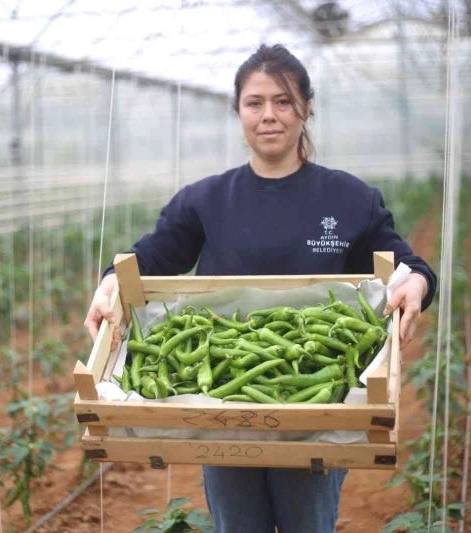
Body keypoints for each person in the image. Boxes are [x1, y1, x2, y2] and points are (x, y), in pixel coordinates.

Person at [84, 44, 436, 533]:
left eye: (284, 101)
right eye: (255, 103)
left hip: (318, 395)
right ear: (239, 112)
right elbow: (149, 258)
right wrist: (108, 283)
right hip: (224, 402)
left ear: (306, 109)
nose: (268, 115)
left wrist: (417, 283)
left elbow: (407, 264)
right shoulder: (206, 200)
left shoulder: (349, 197)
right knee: (238, 524)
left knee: (307, 522)